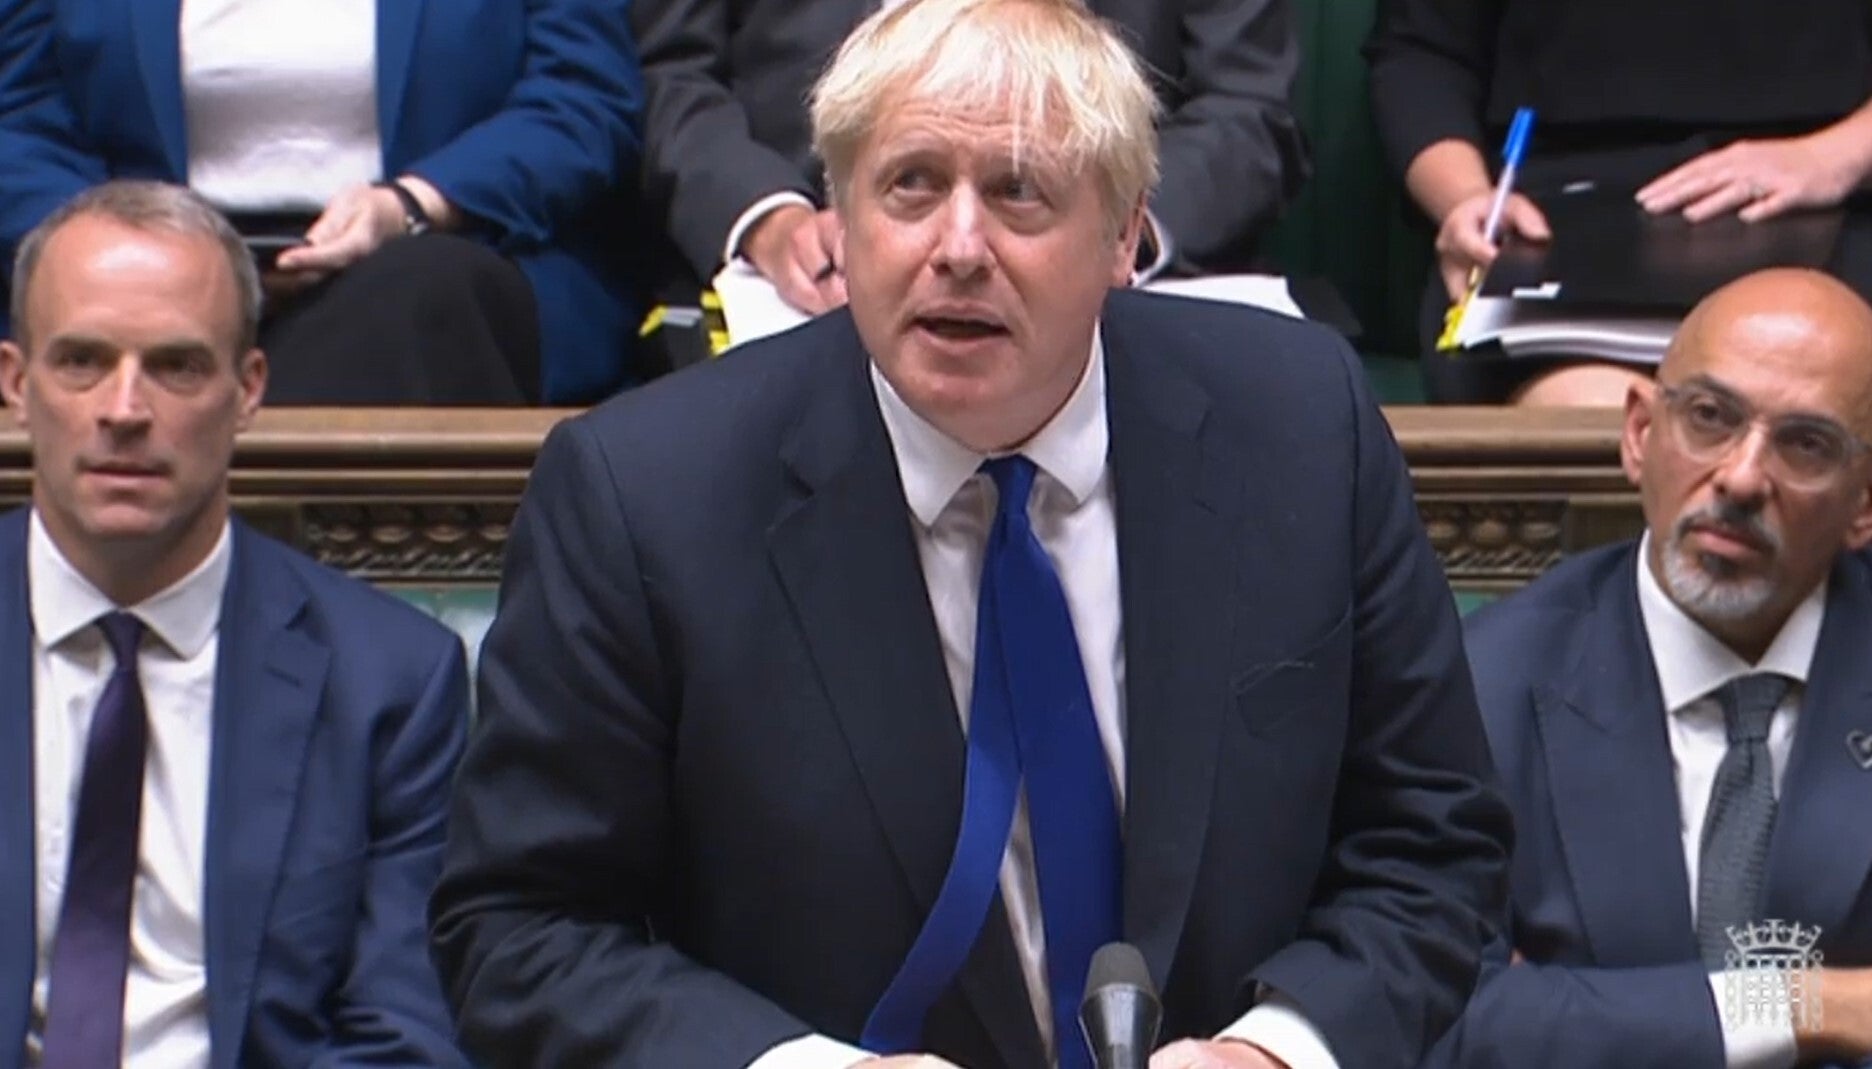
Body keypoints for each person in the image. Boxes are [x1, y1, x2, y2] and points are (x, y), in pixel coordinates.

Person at [431, 1, 1510, 1067]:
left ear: (1127, 233)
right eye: (909, 185)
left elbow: (1435, 849)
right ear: (841, 217)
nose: (958, 247)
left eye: (1019, 192)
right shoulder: (645, 492)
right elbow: (522, 932)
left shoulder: (1303, 429)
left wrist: (1279, 1051)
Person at [0, 181, 470, 1065]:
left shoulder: (391, 682)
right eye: (81, 361)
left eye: (176, 365)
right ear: (16, 385)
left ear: (247, 388)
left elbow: (403, 1036)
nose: (125, 410)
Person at [1430, 268, 1872, 1068]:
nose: (1741, 476)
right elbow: (1449, 1019)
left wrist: (1583, 1010)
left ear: (1865, 500)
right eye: (1710, 417)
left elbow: (1525, 1022)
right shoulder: (1484, 687)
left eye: (1805, 444)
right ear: (1639, 434)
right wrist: (1819, 1003)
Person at [0, 0, 642, 404]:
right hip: (140, 260)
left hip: (438, 242)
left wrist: (411, 205)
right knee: (126, 333)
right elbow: (19, 118)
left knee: (420, 295)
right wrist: (135, 250)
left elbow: (581, 100)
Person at [634, 0, 1308, 314]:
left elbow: (1250, 110)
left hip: (1129, 294)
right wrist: (769, 221)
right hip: (805, 274)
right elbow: (674, 79)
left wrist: (1109, 237)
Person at [1364, 0, 1872, 406]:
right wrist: (1466, 198)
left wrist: (1831, 158)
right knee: (1592, 413)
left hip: (1826, 190)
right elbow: (1422, 52)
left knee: (1813, 401)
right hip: (1548, 212)